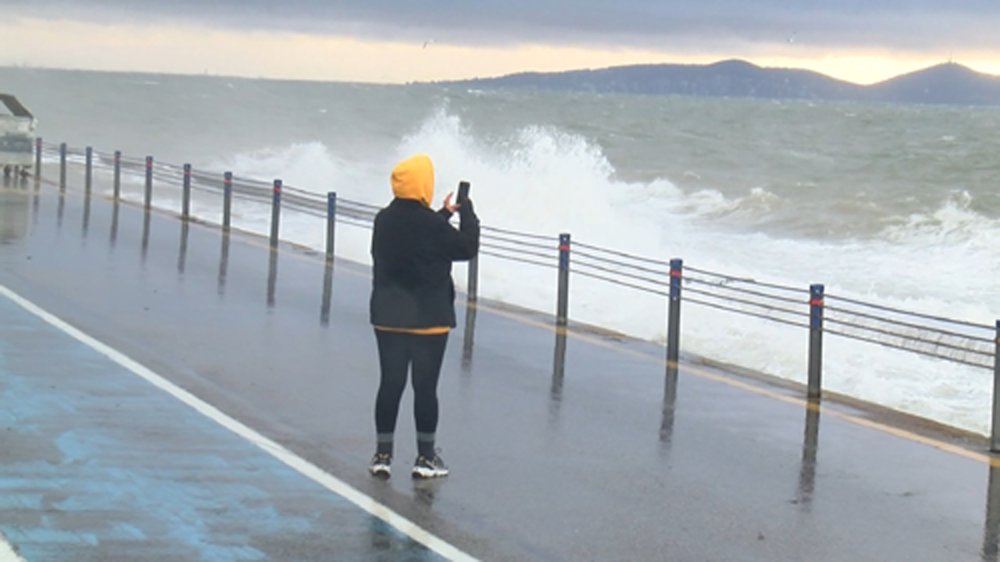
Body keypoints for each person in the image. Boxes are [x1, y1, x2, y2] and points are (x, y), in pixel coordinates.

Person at [368, 153, 480, 479]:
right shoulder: (432, 226)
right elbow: (466, 248)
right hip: (429, 320)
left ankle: (382, 455)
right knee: (425, 388)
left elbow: (415, 240)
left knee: (390, 384)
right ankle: (426, 458)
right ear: (423, 184)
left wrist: (444, 213)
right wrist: (467, 213)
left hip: (388, 317)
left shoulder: (383, 220)